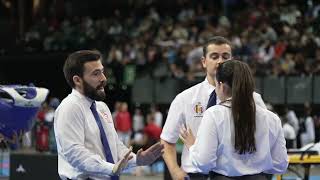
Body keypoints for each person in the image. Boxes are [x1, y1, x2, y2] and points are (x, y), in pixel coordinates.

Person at [160, 36, 267, 180]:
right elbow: (167, 140)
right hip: (196, 173)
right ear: (204, 61)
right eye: (214, 56)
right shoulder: (185, 99)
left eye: (225, 56)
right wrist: (175, 171)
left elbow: (263, 138)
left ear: (232, 60)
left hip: (237, 174)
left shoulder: (253, 99)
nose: (220, 61)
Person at [54, 50, 164, 180]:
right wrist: (110, 168)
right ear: (78, 80)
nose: (104, 78)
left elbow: (115, 147)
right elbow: (75, 154)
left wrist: (138, 160)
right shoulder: (69, 107)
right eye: (96, 74)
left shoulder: (101, 107)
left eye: (102, 71)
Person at [179, 60, 288, 179]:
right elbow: (280, 165)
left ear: (221, 86)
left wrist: (192, 146)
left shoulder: (214, 114)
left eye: (216, 85)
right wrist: (257, 168)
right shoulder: (272, 118)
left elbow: (204, 163)